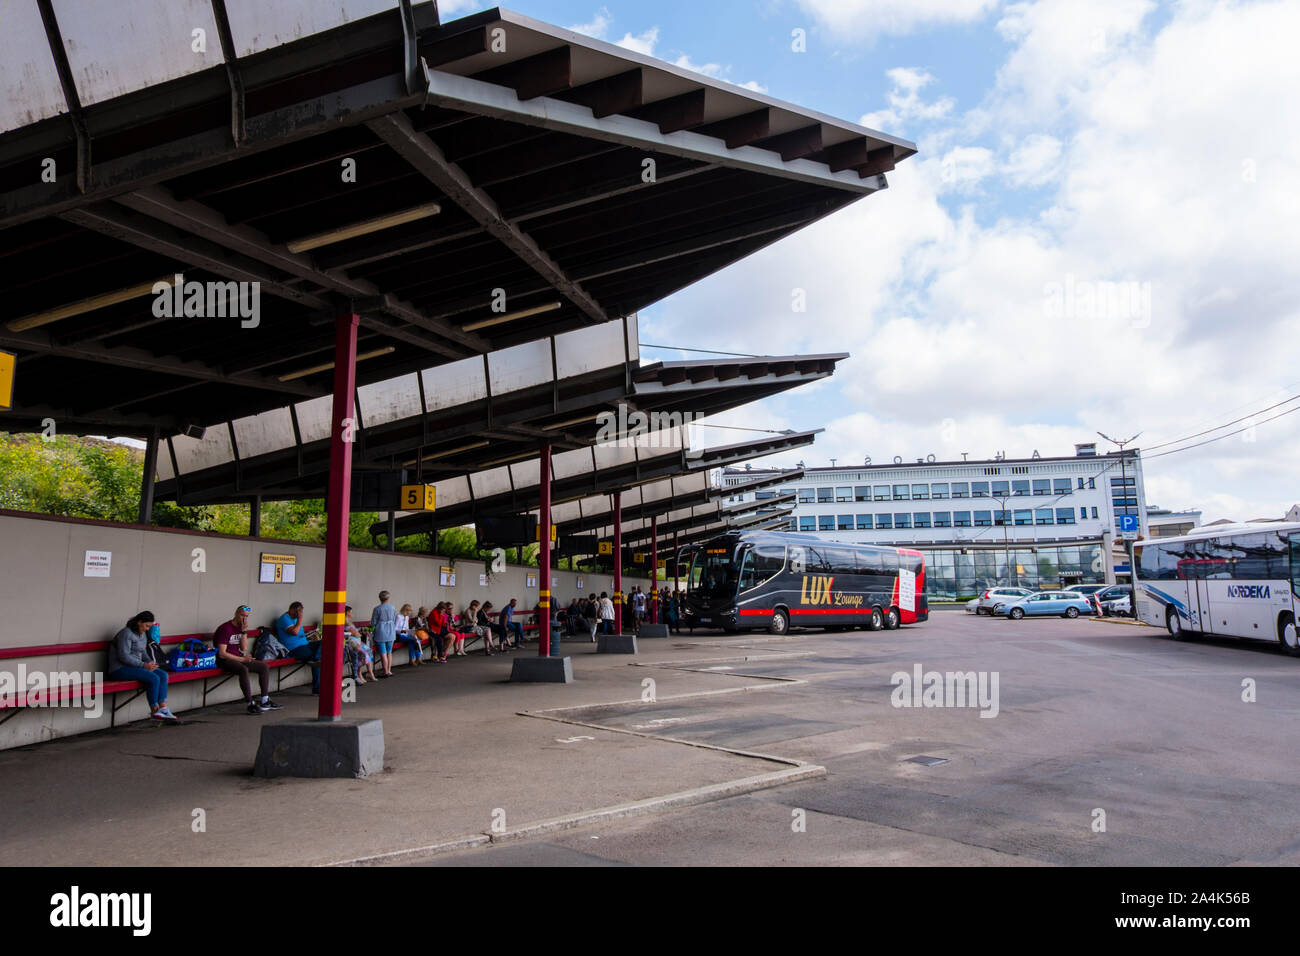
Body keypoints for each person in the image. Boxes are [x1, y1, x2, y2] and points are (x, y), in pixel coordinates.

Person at [108, 611, 176, 721]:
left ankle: (163, 708)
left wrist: (151, 663)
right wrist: (144, 665)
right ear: (139, 622)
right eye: (146, 626)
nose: (147, 629)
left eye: (149, 626)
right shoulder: (126, 633)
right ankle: (155, 711)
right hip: (119, 669)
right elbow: (123, 656)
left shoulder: (142, 634)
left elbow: (143, 652)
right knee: (153, 678)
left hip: (136, 667)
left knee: (163, 675)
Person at [213, 605, 280, 714]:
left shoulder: (241, 628)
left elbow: (243, 648)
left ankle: (265, 700)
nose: (244, 619)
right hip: (224, 660)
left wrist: (244, 632)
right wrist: (242, 659)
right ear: (236, 614)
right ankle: (250, 704)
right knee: (243, 669)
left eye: (247, 616)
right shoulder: (225, 628)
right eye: (242, 615)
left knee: (264, 667)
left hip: (238, 657)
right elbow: (222, 653)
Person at [275, 601, 321, 694]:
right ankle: (317, 689)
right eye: (298, 611)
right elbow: (294, 632)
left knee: (325, 644)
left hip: (305, 644)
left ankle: (316, 658)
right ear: (291, 610)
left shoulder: (295, 619)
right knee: (318, 661)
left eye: (301, 612)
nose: (299, 614)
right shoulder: (285, 619)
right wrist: (300, 620)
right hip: (294, 649)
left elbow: (299, 633)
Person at [344, 606, 377, 684]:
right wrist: (359, 633)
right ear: (347, 613)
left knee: (369, 651)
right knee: (363, 654)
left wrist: (360, 632)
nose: (352, 613)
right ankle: (359, 674)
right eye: (351, 612)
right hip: (352, 644)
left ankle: (370, 672)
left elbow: (356, 633)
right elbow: (356, 634)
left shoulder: (349, 621)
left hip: (357, 642)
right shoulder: (345, 622)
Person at [370, 591, 398, 678]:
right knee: (389, 652)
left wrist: (371, 631)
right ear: (388, 598)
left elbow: (373, 623)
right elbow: (394, 619)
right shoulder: (392, 607)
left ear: (380, 598)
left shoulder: (377, 609)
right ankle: (389, 670)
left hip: (380, 631)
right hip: (391, 630)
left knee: (383, 652)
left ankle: (385, 671)